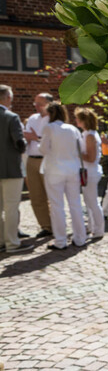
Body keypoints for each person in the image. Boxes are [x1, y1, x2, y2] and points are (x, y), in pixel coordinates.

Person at [40, 102, 86, 250]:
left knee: (57, 206)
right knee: (75, 205)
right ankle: (80, 238)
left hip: (54, 171)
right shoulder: (73, 129)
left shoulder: (49, 128)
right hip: (72, 170)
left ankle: (60, 241)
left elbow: (43, 149)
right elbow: (81, 149)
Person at [0, 85, 31, 254]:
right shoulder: (11, 117)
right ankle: (12, 243)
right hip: (11, 169)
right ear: (7, 98)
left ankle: (0, 241)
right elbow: (19, 143)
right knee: (11, 207)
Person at [22, 92, 53, 238]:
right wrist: (26, 139)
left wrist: (35, 137)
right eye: (35, 103)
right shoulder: (33, 119)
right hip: (31, 159)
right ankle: (46, 226)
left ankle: (57, 225)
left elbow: (54, 143)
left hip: (47, 160)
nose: (36, 106)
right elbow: (27, 137)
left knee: (52, 195)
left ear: (49, 104)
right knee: (35, 195)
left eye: (40, 103)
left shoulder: (54, 120)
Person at [74, 107, 104, 240]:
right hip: (88, 171)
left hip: (90, 172)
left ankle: (99, 230)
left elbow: (91, 158)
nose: (76, 121)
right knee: (89, 201)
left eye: (77, 118)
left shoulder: (90, 135)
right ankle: (92, 227)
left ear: (83, 121)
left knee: (92, 202)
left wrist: (75, 153)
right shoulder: (88, 133)